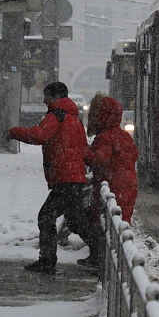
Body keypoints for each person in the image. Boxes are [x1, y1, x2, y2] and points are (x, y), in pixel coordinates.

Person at [7, 81, 98, 274]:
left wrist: (14, 132)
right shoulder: (75, 118)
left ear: (56, 97)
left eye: (46, 95)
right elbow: (83, 149)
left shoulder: (55, 116)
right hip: (74, 177)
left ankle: (47, 261)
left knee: (46, 216)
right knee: (75, 219)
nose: (44, 99)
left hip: (64, 177)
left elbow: (39, 136)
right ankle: (99, 251)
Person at [85, 96, 139, 239]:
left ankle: (98, 258)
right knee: (120, 224)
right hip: (128, 187)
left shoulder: (105, 138)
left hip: (113, 187)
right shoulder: (124, 136)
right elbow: (134, 155)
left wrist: (83, 151)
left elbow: (98, 159)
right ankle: (118, 255)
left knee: (103, 224)